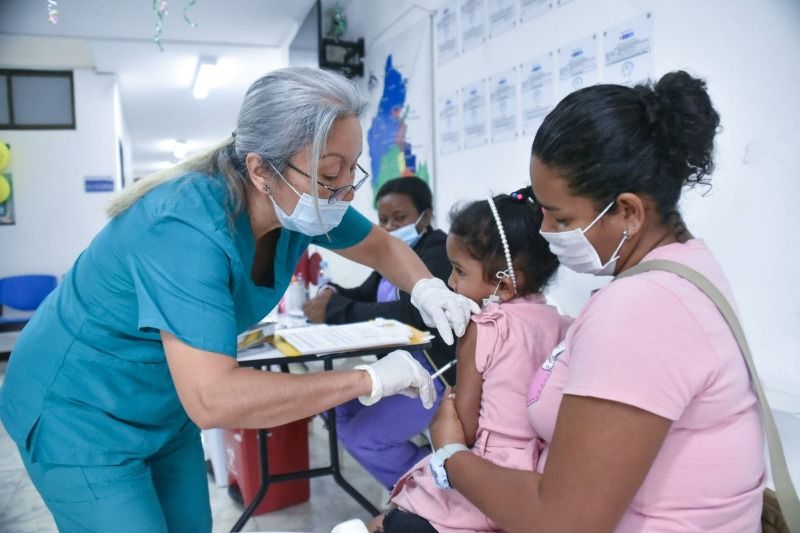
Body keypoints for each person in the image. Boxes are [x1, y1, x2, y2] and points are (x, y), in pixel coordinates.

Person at [0, 67, 480, 533]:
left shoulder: (299, 208)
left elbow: (382, 246)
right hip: (78, 410)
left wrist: (428, 288)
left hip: (165, 406)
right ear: (260, 170)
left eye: (351, 171)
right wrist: (367, 379)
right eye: (330, 174)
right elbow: (213, 398)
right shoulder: (183, 228)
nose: (345, 193)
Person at [425, 71, 766, 532]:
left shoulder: (642, 308)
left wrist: (450, 455)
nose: (544, 230)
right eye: (539, 206)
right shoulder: (687, 265)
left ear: (627, 211)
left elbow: (564, 521)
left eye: (560, 216)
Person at [373, 193, 571, 532]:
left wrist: (444, 409)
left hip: (483, 475)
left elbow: (462, 431)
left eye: (459, 271)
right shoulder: (561, 323)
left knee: (390, 519)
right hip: (534, 476)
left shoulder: (482, 328)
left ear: (504, 284)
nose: (450, 282)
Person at [303, 176, 457, 489]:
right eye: (383, 220)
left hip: (434, 371)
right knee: (333, 405)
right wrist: (331, 294)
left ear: (425, 217)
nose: (388, 227)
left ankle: (439, 495)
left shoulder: (436, 251)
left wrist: (335, 310)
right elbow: (365, 296)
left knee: (365, 440)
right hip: (398, 366)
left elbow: (412, 315)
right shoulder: (393, 255)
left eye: (400, 218)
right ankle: (421, 476)